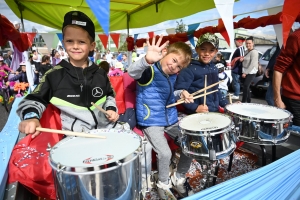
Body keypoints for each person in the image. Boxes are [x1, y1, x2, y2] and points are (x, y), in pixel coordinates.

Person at [16, 10, 119, 139]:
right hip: (76, 139)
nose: (75, 46)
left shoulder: (100, 73)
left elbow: (110, 96)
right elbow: (33, 100)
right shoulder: (54, 75)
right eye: (70, 41)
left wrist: (111, 109)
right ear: (64, 43)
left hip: (107, 132)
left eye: (81, 42)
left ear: (92, 45)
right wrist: (31, 118)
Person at [128, 35, 193, 199]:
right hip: (151, 121)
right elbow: (132, 72)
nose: (174, 66)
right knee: (164, 154)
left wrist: (181, 94)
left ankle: (178, 178)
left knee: (192, 144)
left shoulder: (172, 76)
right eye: (173, 60)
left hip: (170, 119)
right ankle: (163, 183)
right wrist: (146, 60)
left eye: (179, 66)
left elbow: (170, 96)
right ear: (164, 52)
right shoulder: (149, 71)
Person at [174, 33, 228, 114]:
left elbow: (216, 90)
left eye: (211, 50)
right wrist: (195, 107)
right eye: (203, 49)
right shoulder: (189, 68)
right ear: (197, 49)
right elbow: (180, 93)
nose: (207, 53)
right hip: (195, 113)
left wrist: (227, 105)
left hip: (214, 111)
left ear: (216, 51)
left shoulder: (214, 68)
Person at [273, 28, 300, 126]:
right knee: (295, 138)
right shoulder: (297, 36)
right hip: (295, 100)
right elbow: (279, 69)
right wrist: (278, 100)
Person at [239, 37, 258, 103]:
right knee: (246, 86)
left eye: (249, 43)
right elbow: (246, 59)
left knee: (246, 86)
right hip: (245, 71)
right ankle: (248, 101)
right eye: (247, 43)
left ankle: (243, 101)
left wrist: (245, 73)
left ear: (253, 43)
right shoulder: (246, 51)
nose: (248, 45)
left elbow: (252, 64)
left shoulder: (254, 52)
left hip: (251, 72)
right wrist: (242, 59)